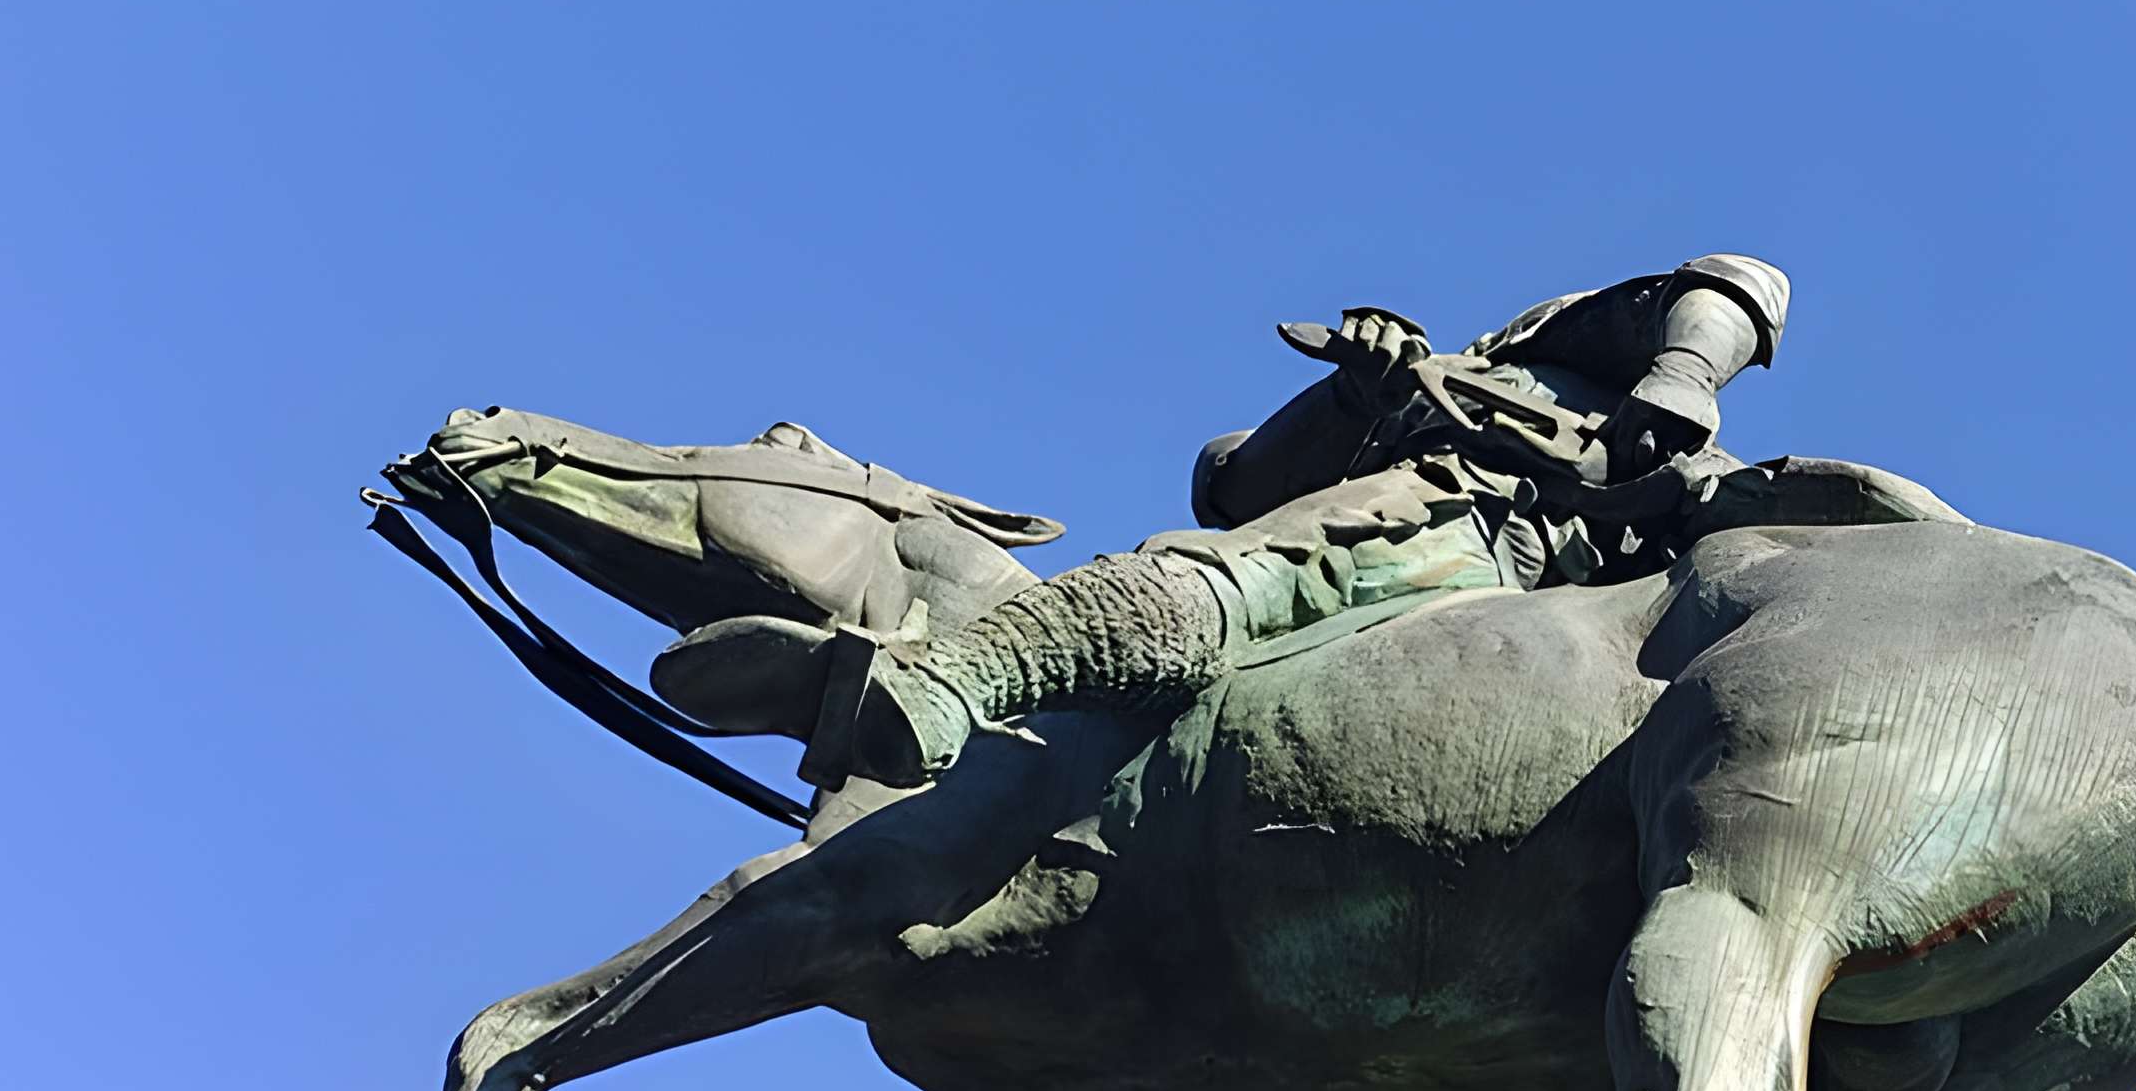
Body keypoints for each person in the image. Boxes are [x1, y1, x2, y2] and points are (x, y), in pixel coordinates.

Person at [657, 254, 1957, 789]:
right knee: (1229, 568)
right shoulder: (1386, 413)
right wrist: (1361, 389)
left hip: (1514, 553)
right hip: (1491, 570)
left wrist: (1676, 392)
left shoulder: (1544, 356)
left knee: (1221, 574)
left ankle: (943, 689)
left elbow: (1738, 283)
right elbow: (1240, 484)